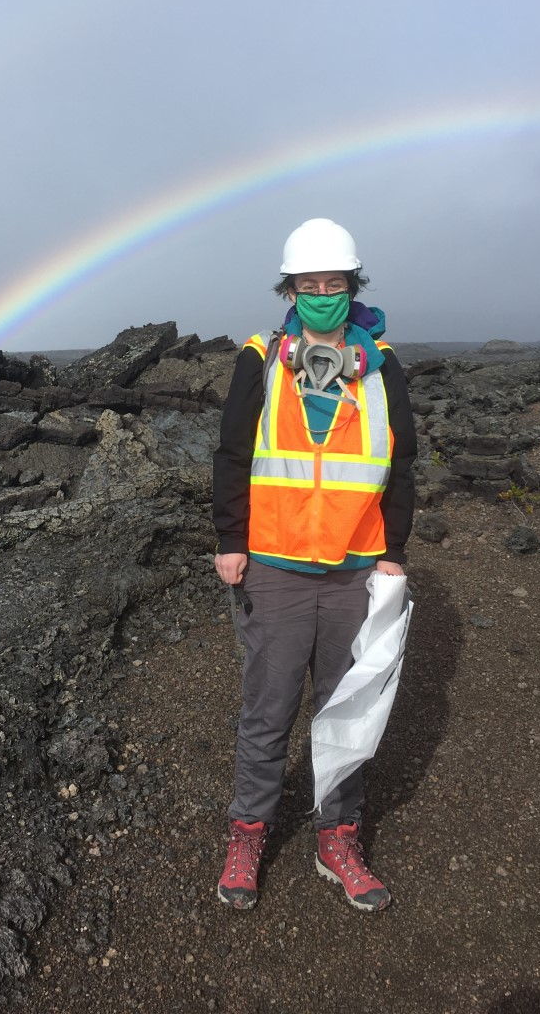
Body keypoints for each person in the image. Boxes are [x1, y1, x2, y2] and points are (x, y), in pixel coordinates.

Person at [212, 217, 416, 912]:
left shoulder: (383, 366)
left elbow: (403, 462)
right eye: (308, 284)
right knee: (268, 712)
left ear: (352, 286)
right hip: (274, 562)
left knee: (345, 712)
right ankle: (248, 834)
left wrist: (393, 552)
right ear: (290, 289)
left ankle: (339, 837)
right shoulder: (259, 359)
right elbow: (233, 454)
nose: (322, 294)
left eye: (335, 283)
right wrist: (228, 540)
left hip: (356, 566)